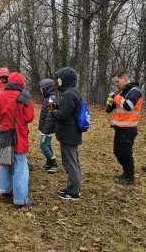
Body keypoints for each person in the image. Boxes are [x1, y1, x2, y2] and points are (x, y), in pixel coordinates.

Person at [0, 72, 35, 208]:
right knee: (20, 167)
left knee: (5, 163)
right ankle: (20, 199)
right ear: (21, 83)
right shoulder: (25, 97)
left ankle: (4, 190)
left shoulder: (0, 95)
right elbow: (29, 117)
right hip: (19, 136)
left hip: (5, 135)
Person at [106, 70, 143, 185]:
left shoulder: (134, 92)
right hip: (120, 127)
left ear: (125, 79)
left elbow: (128, 106)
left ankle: (129, 176)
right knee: (117, 151)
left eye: (117, 81)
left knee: (125, 152)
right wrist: (111, 105)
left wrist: (116, 97)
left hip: (129, 128)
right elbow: (120, 105)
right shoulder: (124, 92)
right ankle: (126, 172)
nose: (116, 84)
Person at [51, 67, 83, 201]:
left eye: (60, 78)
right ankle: (75, 188)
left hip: (69, 133)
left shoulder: (68, 94)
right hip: (73, 132)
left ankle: (73, 192)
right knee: (74, 160)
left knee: (70, 162)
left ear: (65, 79)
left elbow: (64, 115)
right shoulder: (74, 92)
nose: (58, 80)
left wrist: (53, 112)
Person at [38, 78, 59, 173]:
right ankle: (49, 162)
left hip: (47, 128)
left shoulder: (51, 99)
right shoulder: (47, 98)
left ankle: (53, 163)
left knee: (43, 145)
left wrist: (46, 130)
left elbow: (50, 115)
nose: (41, 90)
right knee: (47, 144)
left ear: (47, 88)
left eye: (42, 88)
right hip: (44, 127)